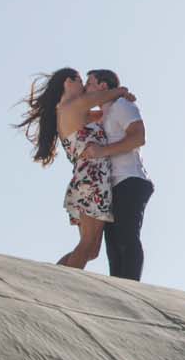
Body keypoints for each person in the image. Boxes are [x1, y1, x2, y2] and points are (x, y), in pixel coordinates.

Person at [14, 67, 131, 269]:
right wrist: (122, 92)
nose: (85, 87)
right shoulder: (73, 105)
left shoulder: (73, 109)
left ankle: (54, 275)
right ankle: (57, 282)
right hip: (92, 181)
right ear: (68, 83)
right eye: (80, 81)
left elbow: (102, 113)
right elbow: (111, 94)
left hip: (88, 180)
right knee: (87, 246)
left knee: (91, 250)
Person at [87, 68, 152, 281]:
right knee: (113, 247)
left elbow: (138, 137)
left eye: (90, 84)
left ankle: (131, 289)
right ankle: (117, 290)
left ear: (103, 86)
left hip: (130, 180)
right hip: (111, 185)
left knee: (126, 238)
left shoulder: (122, 106)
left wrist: (102, 151)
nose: (87, 89)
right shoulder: (104, 113)